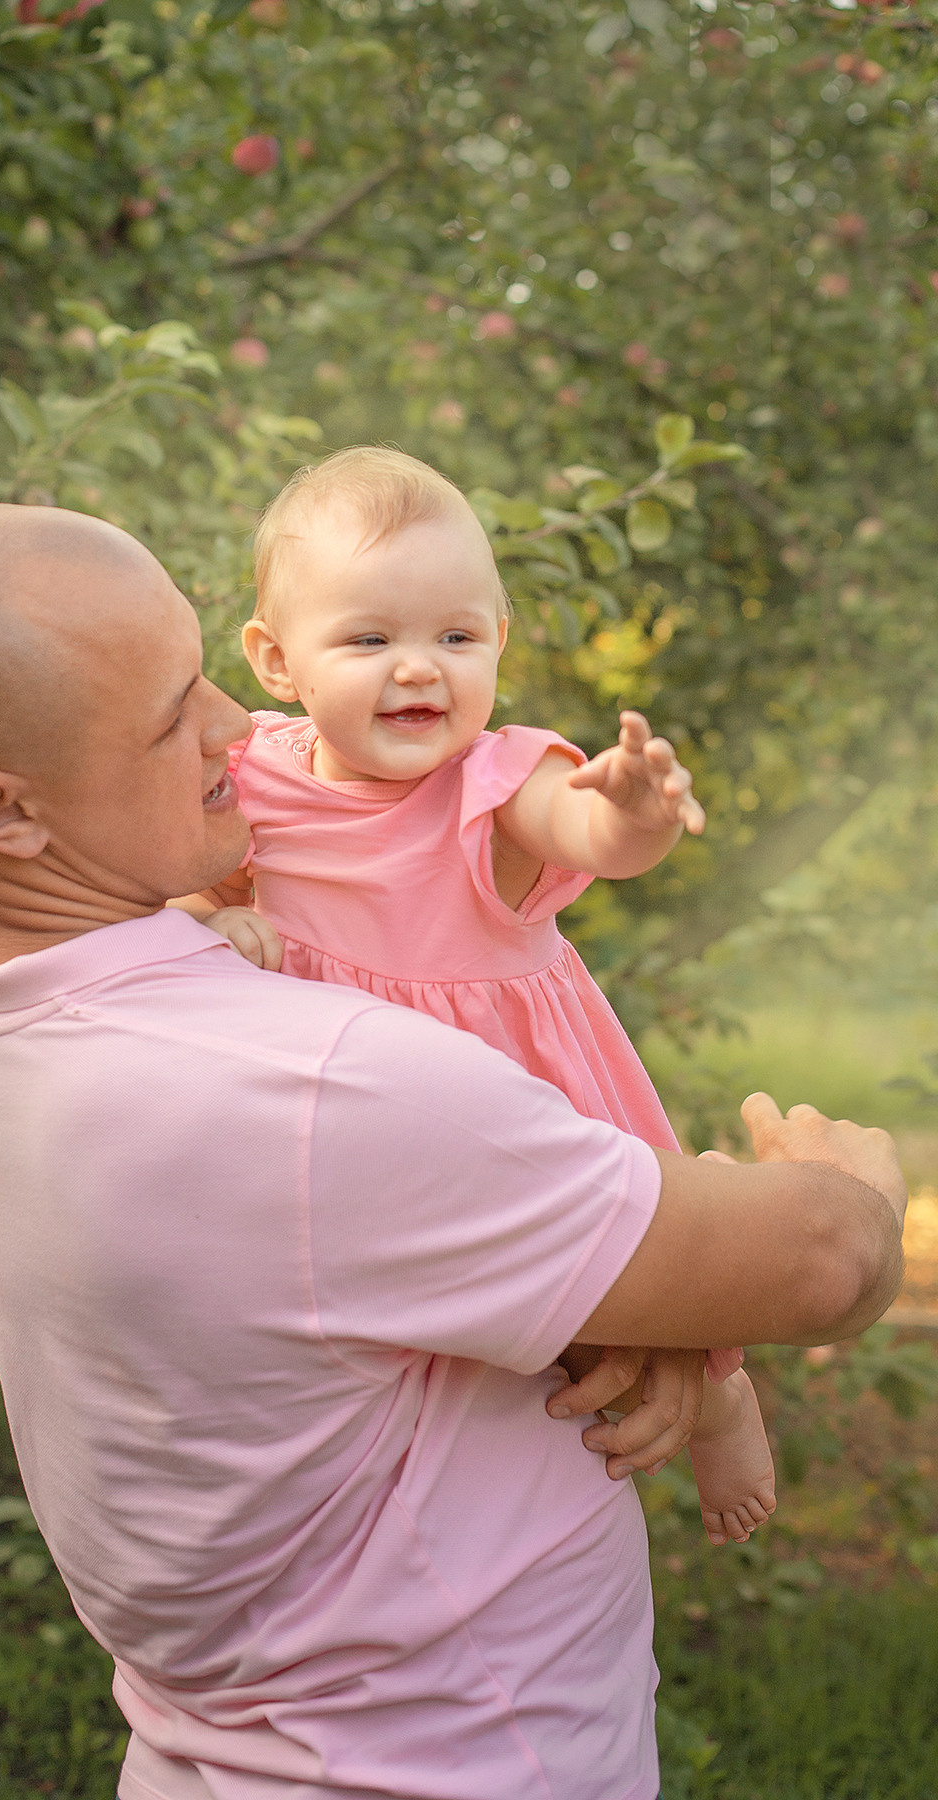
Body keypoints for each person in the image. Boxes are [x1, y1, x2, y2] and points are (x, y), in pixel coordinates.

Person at [0, 502, 906, 1800]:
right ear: (8, 811)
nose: (236, 727)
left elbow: (329, 1279)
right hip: (460, 1757)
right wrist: (854, 1186)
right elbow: (819, 1262)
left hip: (207, 1742)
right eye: (173, 715)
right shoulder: (314, 1087)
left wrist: (622, 1304)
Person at [172, 447, 767, 1548]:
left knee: (618, 1287)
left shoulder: (496, 780)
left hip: (514, 1093)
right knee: (425, 1317)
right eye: (369, 640)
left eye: (455, 637)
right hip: (352, 1099)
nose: (419, 669)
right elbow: (175, 878)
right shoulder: (254, 775)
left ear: (498, 638)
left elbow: (578, 827)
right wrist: (210, 919)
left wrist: (630, 814)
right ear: (277, 661)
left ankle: (719, 1392)